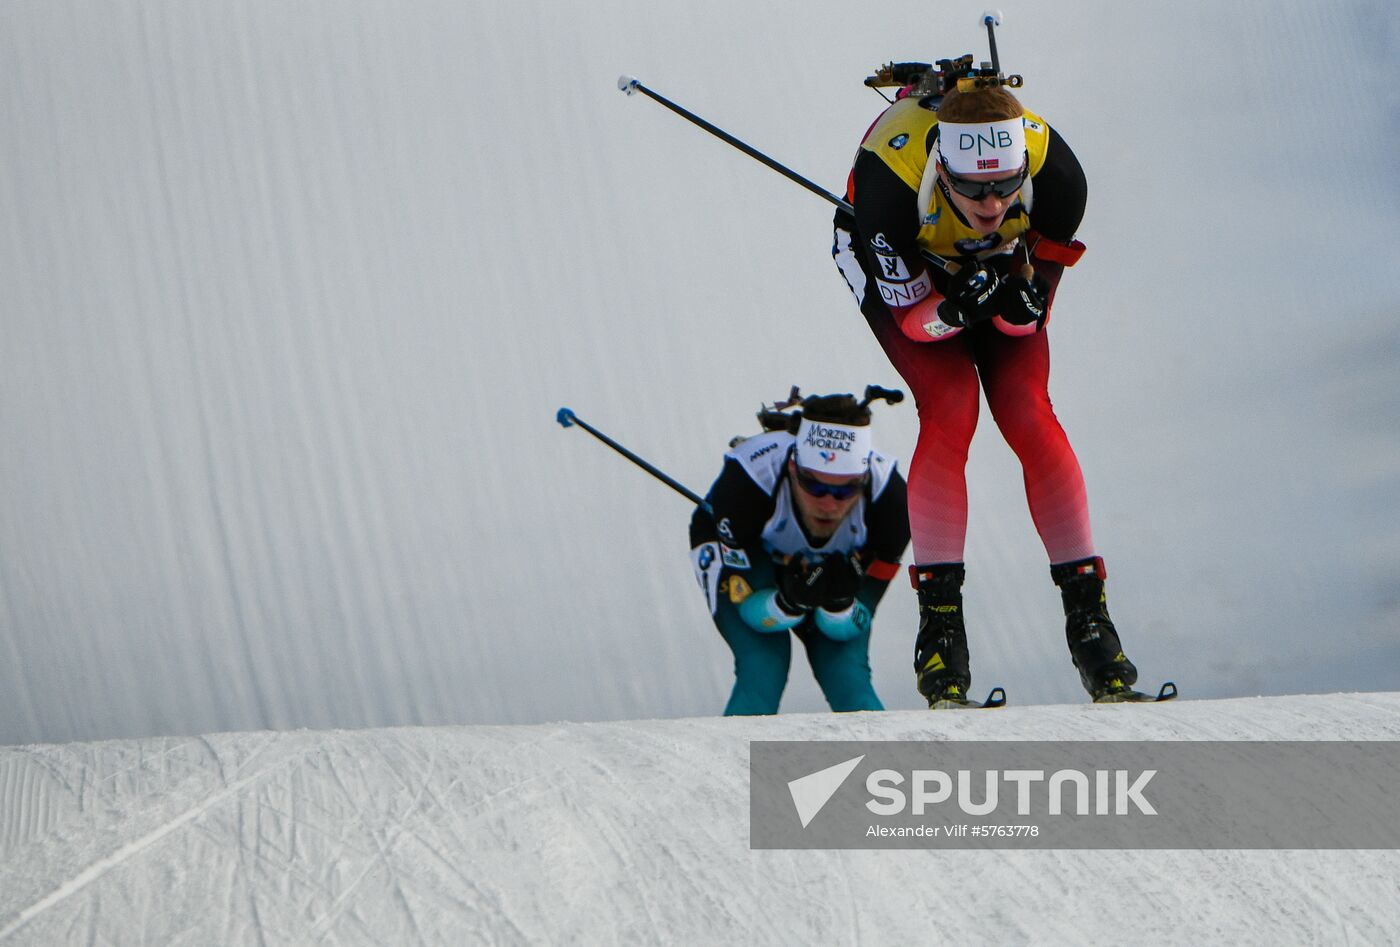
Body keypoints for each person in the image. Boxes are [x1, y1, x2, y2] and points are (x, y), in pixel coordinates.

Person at [831, 61, 1141, 705]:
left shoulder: (1058, 178)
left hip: (997, 263)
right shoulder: (892, 191)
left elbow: (1028, 321)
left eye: (1005, 185)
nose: (992, 204)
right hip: (899, 259)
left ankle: (1092, 624)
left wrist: (1014, 306)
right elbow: (916, 325)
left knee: (1028, 410)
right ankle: (941, 631)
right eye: (974, 189)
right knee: (950, 408)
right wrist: (953, 309)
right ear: (941, 166)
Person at [689, 392, 911, 715]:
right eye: (814, 485)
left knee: (848, 678)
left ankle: (885, 765)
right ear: (793, 468)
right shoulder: (746, 485)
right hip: (743, 549)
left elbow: (860, 617)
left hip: (802, 557)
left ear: (864, 478)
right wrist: (787, 602)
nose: (828, 504)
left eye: (846, 489)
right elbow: (750, 610)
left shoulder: (892, 505)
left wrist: (840, 603)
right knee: (763, 667)